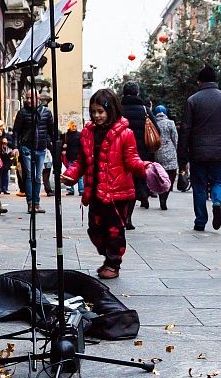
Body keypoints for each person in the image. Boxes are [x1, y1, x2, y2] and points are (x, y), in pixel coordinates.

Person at [61, 88, 149, 280]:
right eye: (93, 112)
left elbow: (132, 159)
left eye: (100, 111)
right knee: (95, 229)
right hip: (95, 191)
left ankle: (113, 263)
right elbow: (81, 161)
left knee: (114, 230)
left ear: (111, 110)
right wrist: (70, 175)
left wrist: (145, 168)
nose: (96, 116)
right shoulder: (87, 133)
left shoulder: (125, 133)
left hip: (118, 193)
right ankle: (108, 256)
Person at [177, 65, 221, 232]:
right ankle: (217, 202)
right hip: (220, 151)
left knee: (199, 185)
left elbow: (186, 129)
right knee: (219, 180)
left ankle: (200, 221)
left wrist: (182, 156)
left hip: (197, 152)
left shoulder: (193, 100)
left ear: (199, 81)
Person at [120, 82, 158, 227]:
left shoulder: (119, 110)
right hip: (141, 154)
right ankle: (128, 216)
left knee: (122, 185)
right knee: (135, 185)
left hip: (121, 153)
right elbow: (156, 131)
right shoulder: (145, 110)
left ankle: (122, 215)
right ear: (137, 93)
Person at [12, 92, 55, 214]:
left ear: (38, 98)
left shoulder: (46, 112)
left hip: (41, 148)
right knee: (30, 176)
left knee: (37, 177)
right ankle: (30, 203)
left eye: (31, 98)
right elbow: (16, 132)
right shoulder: (22, 112)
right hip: (27, 148)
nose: (29, 100)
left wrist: (54, 146)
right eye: (27, 98)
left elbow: (51, 131)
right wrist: (15, 147)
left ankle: (36, 203)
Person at [152, 105, 178, 210]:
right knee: (170, 176)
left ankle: (161, 196)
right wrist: (176, 150)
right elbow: (175, 138)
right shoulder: (170, 123)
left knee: (160, 177)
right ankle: (165, 196)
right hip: (170, 152)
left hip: (157, 152)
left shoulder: (154, 123)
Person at [62, 121, 83, 196]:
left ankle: (81, 190)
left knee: (79, 175)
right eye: (72, 126)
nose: (74, 127)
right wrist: (63, 147)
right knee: (70, 174)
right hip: (70, 156)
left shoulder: (79, 134)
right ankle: (72, 189)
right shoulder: (66, 135)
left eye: (75, 126)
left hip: (77, 156)